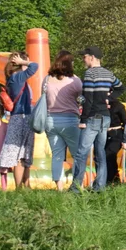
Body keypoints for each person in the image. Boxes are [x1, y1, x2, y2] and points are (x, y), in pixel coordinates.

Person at [74, 46, 122, 192]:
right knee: (100, 152)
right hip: (105, 118)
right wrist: (109, 98)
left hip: (92, 117)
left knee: (81, 152)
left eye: (85, 57)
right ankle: (99, 187)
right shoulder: (108, 74)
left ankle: (76, 187)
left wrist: (83, 120)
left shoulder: (89, 74)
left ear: (92, 57)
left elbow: (88, 99)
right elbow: (121, 88)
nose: (83, 59)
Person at [0, 52, 40, 189]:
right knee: (21, 155)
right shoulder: (17, 77)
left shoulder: (13, 79)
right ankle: (19, 187)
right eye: (24, 61)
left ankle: (26, 185)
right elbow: (35, 66)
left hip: (19, 117)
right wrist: (24, 62)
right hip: (22, 117)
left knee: (25, 153)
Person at [44, 50, 82, 192]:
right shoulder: (74, 80)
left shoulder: (47, 79)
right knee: (77, 154)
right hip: (70, 120)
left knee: (57, 155)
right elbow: (81, 96)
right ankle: (78, 185)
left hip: (50, 120)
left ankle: (59, 188)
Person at [105, 83, 126, 185]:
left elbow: (125, 122)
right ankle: (106, 179)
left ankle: (113, 178)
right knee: (101, 156)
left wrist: (124, 139)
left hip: (116, 134)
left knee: (109, 154)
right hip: (104, 133)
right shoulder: (99, 105)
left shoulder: (119, 106)